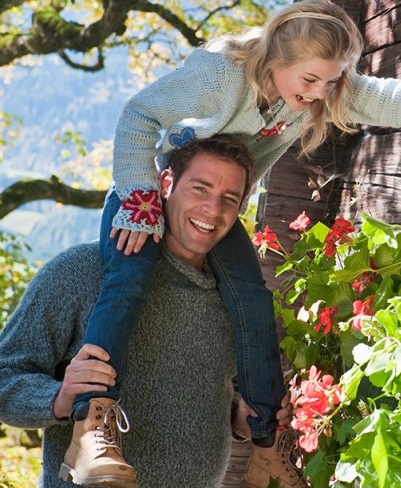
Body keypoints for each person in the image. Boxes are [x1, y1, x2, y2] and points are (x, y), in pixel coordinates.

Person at [73, 0, 401, 488]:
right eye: (311, 80)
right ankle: (91, 426)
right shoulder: (221, 75)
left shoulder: (323, 87)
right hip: (157, 192)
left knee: (254, 303)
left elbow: (389, 98)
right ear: (276, 62)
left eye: (332, 80)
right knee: (128, 280)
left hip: (216, 207)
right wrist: (139, 196)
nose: (321, 93)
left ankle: (263, 449)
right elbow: (140, 115)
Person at [0, 135, 305, 488]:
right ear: (165, 184)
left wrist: (240, 416)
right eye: (200, 188)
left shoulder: (235, 304)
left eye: (229, 199)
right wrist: (59, 399)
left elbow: (217, 392)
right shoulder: (81, 273)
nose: (213, 209)